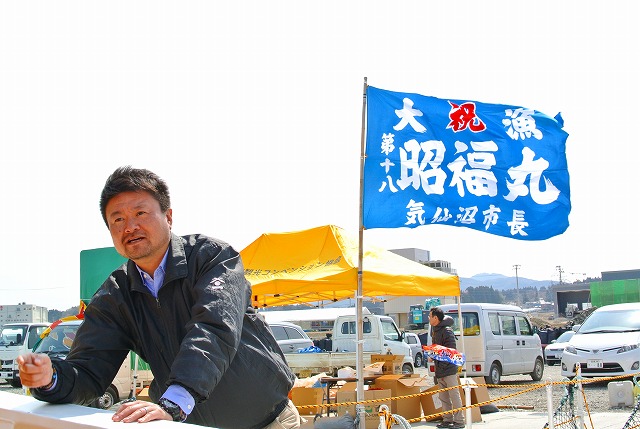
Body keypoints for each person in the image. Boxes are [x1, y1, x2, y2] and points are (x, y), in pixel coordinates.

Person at [18, 166, 300, 429]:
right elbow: (90, 370)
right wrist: (51, 379)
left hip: (269, 422)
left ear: (169, 217)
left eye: (140, 213)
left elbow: (214, 328)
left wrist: (175, 401)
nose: (130, 227)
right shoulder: (115, 295)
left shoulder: (212, 257)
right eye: (118, 219)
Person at [429, 307, 465, 429]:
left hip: (448, 370)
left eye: (430, 316)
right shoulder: (435, 330)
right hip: (440, 370)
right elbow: (438, 349)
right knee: (443, 397)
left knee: (454, 396)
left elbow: (451, 352)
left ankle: (459, 421)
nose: (428, 318)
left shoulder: (447, 331)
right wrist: (432, 355)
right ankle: (447, 419)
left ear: (435, 318)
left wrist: (437, 359)